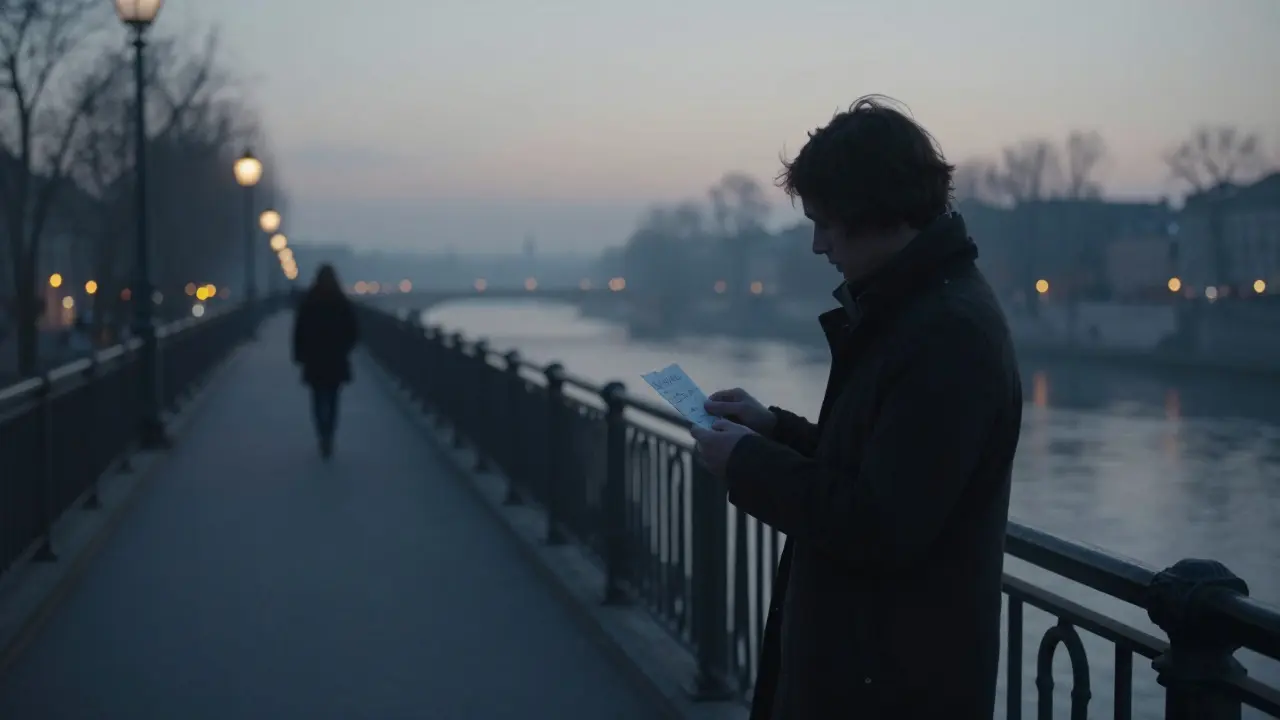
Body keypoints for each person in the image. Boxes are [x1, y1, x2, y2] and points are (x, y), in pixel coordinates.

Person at [690, 95, 1023, 719]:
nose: (818, 246)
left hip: (890, 684)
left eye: (825, 222)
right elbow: (880, 469)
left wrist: (748, 465)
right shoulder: (918, 311)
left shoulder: (946, 333)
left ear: (875, 211)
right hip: (876, 670)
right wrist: (771, 431)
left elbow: (878, 525)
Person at [292, 264, 359, 459]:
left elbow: (299, 330)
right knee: (333, 398)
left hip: (314, 359)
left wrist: (299, 354)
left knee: (317, 397)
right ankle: (329, 433)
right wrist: (345, 349)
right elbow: (353, 331)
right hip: (336, 359)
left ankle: (322, 433)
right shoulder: (341, 301)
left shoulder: (310, 301)